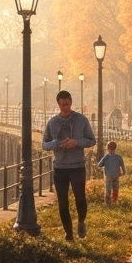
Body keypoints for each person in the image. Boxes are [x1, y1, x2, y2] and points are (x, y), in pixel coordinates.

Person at [41, 90, 97, 241]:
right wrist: (55, 144)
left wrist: (76, 142)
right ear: (58, 104)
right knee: (63, 202)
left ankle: (81, 221)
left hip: (77, 166)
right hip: (59, 168)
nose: (65, 107)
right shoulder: (52, 122)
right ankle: (68, 233)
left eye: (67, 104)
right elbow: (44, 144)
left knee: (80, 198)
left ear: (71, 102)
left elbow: (92, 140)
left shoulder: (81, 120)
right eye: (62, 105)